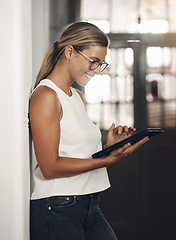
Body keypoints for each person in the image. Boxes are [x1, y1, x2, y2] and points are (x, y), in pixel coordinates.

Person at [29, 21, 148, 240]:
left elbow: (74, 154)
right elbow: (50, 167)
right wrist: (107, 160)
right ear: (69, 51)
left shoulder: (77, 97)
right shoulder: (46, 96)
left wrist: (109, 147)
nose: (96, 71)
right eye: (94, 62)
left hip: (88, 204)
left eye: (101, 64)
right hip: (57, 208)